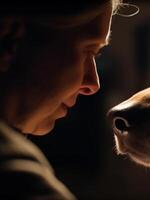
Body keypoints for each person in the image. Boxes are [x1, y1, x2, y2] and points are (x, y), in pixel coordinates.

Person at [0, 1, 121, 199]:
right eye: (87, 51)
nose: (93, 84)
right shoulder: (14, 178)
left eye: (96, 55)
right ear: (9, 37)